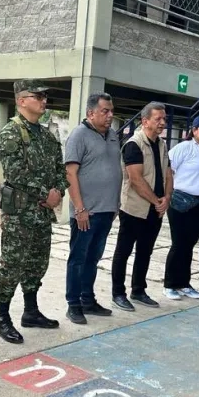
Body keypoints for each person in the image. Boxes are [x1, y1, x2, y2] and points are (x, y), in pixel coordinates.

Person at [0, 79, 69, 344]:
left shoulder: (47, 136)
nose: (44, 101)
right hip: (20, 215)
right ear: (21, 100)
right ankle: (3, 318)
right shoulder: (11, 133)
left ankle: (31, 311)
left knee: (37, 264)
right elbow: (14, 173)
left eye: (45, 97)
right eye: (38, 96)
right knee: (11, 265)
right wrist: (45, 193)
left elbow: (61, 170)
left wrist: (58, 190)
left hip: (42, 214)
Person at [64, 93, 122, 324]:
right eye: (104, 111)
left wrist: (115, 203)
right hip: (86, 213)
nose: (110, 115)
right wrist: (79, 209)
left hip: (106, 211)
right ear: (90, 113)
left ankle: (88, 300)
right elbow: (70, 173)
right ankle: (73, 304)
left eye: (111, 111)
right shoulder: (79, 135)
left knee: (93, 258)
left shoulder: (113, 136)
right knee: (78, 259)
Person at [111, 102, 171, 311]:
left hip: (156, 210)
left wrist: (167, 198)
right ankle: (118, 293)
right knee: (124, 251)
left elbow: (168, 173)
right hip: (135, 209)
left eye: (164, 119)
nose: (163, 122)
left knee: (145, 251)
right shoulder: (134, 145)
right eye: (158, 119)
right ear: (145, 121)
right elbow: (136, 180)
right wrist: (157, 201)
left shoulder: (162, 145)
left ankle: (138, 290)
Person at [163, 115, 199, 301]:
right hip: (181, 200)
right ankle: (170, 284)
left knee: (189, 245)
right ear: (194, 130)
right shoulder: (184, 148)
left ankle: (184, 283)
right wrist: (167, 193)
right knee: (179, 244)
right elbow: (168, 169)